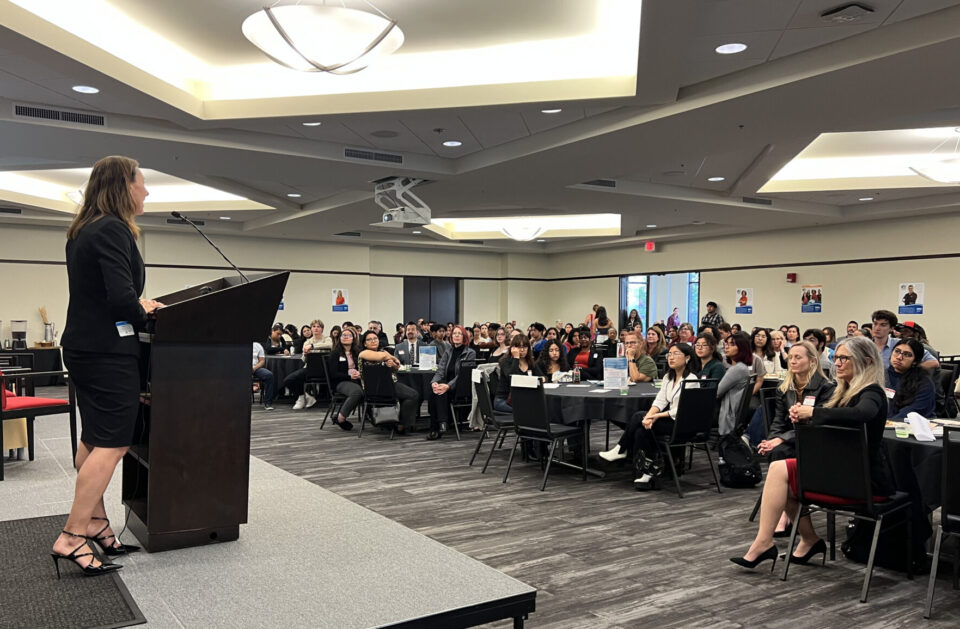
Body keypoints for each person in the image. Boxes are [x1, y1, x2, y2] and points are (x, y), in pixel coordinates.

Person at [55, 155, 163, 576]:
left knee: (94, 437)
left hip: (84, 348)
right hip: (106, 352)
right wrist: (145, 309)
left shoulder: (83, 230)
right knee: (115, 443)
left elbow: (99, 295)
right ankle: (72, 536)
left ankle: (97, 524)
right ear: (124, 185)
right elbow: (120, 299)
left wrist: (134, 304)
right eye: (142, 182)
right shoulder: (115, 230)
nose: (147, 191)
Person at [732, 336, 892, 571]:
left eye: (844, 358)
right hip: (840, 472)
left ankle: (782, 542)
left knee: (781, 472)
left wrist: (814, 413)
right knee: (780, 472)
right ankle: (786, 540)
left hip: (863, 480)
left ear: (866, 361)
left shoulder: (872, 392)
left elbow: (861, 414)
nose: (837, 363)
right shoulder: (842, 392)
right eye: (836, 358)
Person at [598, 344, 699, 490]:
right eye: (669, 354)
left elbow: (681, 410)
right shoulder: (668, 377)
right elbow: (660, 400)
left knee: (639, 417)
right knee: (641, 429)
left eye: (675, 354)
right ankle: (645, 474)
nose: (671, 357)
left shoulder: (692, 380)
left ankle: (623, 449)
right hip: (670, 420)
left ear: (687, 357)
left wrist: (654, 416)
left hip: (683, 424)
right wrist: (649, 416)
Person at [358, 331, 420, 434]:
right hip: (375, 388)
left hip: (389, 384)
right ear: (365, 343)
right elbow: (381, 357)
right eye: (369, 339)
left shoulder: (382, 352)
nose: (373, 341)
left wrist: (392, 364)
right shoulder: (364, 353)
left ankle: (399, 422)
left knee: (412, 394)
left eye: (375, 338)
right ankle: (402, 425)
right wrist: (393, 357)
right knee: (413, 395)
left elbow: (396, 368)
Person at [426, 325, 476, 440]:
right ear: (451, 336)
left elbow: (463, 375)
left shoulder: (470, 353)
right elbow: (441, 370)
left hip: (461, 387)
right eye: (454, 333)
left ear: (464, 337)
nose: (457, 336)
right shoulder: (448, 351)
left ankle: (438, 426)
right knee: (434, 390)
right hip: (446, 385)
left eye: (459, 333)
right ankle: (440, 424)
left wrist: (448, 386)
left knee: (440, 392)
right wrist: (434, 382)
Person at [285, 319, 332, 409]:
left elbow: (330, 346)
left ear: (322, 329)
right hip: (310, 368)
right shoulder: (307, 342)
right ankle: (303, 397)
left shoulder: (327, 339)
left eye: (318, 326)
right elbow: (303, 359)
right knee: (289, 379)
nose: (316, 328)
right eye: (314, 326)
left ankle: (304, 398)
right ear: (311, 329)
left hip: (324, 368)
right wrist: (306, 354)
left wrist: (313, 346)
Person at [885, 338, 935, 420]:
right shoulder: (880, 374)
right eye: (897, 351)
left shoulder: (923, 382)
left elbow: (914, 410)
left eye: (907, 354)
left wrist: (888, 423)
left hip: (910, 424)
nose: (899, 357)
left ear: (915, 361)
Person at [871, 309, 938, 369]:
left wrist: (909, 368)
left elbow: (934, 362)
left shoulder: (902, 345)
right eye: (875, 324)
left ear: (891, 328)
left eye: (883, 325)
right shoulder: (865, 345)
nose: (877, 328)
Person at [496, 334, 545, 412]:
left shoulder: (530, 363)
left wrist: (543, 379)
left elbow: (543, 377)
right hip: (504, 400)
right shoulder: (506, 361)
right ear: (513, 348)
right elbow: (512, 378)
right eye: (519, 347)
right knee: (527, 410)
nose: (522, 350)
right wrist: (516, 358)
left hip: (523, 399)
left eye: (525, 347)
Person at [326, 327, 362, 430]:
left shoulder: (357, 352)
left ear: (353, 338)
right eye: (343, 335)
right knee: (357, 392)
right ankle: (340, 418)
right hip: (341, 382)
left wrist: (359, 373)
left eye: (349, 335)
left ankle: (374, 417)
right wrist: (349, 376)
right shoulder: (335, 353)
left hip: (357, 380)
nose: (346, 337)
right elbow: (333, 374)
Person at [717, 333, 753, 435]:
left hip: (728, 413)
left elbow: (717, 392)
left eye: (732, 344)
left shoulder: (738, 368)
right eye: (726, 343)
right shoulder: (739, 367)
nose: (727, 346)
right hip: (729, 410)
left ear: (741, 348)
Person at [252, 342, 276, 411]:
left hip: (255, 368)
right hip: (241, 368)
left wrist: (254, 369)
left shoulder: (257, 345)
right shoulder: (240, 344)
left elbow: (262, 361)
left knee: (269, 375)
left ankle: (268, 403)